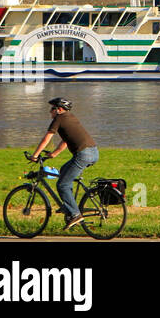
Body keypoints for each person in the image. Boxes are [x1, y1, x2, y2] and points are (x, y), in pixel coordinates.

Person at [30, 98, 98, 230]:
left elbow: (46, 139)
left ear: (59, 110)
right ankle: (69, 206)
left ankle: (75, 214)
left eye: (52, 109)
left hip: (83, 155)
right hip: (93, 152)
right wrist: (54, 154)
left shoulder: (59, 119)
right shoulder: (70, 117)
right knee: (63, 172)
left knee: (62, 184)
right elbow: (66, 140)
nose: (50, 112)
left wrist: (35, 155)